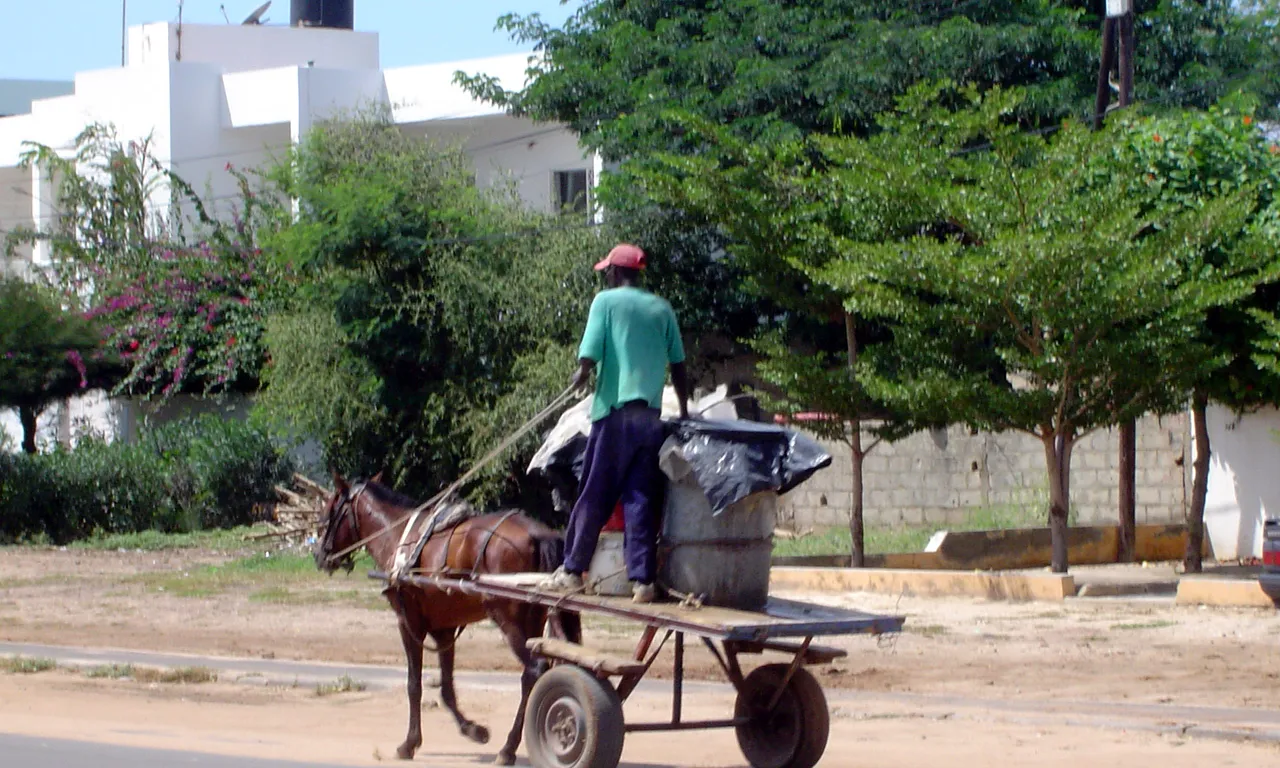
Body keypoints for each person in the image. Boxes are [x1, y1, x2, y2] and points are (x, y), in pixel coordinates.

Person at [541, 243, 689, 603]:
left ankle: (573, 570)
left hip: (614, 414)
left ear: (615, 273)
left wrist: (581, 373)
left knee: (594, 492)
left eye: (607, 270)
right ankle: (642, 582)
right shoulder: (662, 308)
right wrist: (684, 412)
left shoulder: (605, 302)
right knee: (640, 497)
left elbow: (589, 354)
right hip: (650, 419)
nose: (605, 275)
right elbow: (680, 366)